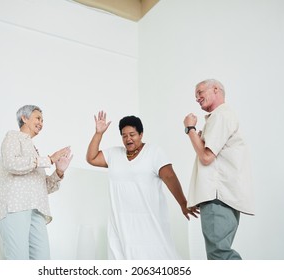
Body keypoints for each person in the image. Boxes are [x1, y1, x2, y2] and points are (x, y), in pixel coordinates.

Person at [86, 111, 198, 260]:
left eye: (132, 134)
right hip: (121, 224)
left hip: (149, 222)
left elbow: (170, 177)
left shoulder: (154, 152)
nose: (128, 139)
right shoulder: (114, 154)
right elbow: (91, 158)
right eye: (124, 136)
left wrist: (183, 203)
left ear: (141, 134)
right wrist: (98, 133)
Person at [183, 79, 254, 260]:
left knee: (218, 254)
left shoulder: (221, 115)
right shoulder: (222, 117)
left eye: (200, 92)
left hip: (218, 197)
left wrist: (190, 129)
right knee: (219, 251)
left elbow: (206, 157)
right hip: (222, 196)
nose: (197, 98)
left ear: (216, 89)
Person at [0, 104, 73, 260]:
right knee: (19, 260)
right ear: (24, 118)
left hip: (37, 210)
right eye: (38, 118)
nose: (41, 123)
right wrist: (49, 159)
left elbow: (42, 187)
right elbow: (11, 164)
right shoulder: (12, 137)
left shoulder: (33, 150)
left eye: (43, 120)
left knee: (42, 260)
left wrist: (59, 171)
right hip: (15, 208)